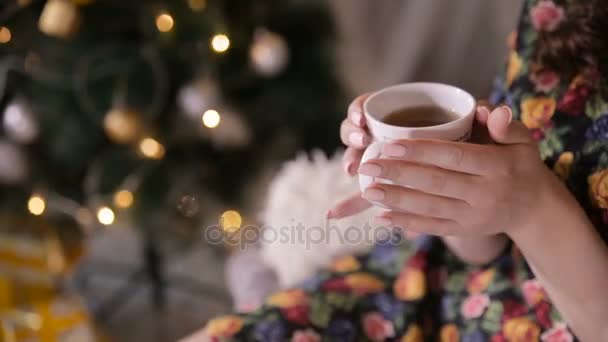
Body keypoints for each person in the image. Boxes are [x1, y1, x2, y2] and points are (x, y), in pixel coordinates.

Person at [195, 0, 608, 340]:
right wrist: (457, 186)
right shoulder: (556, 9)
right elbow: (481, 248)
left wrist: (534, 208)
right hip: (426, 281)